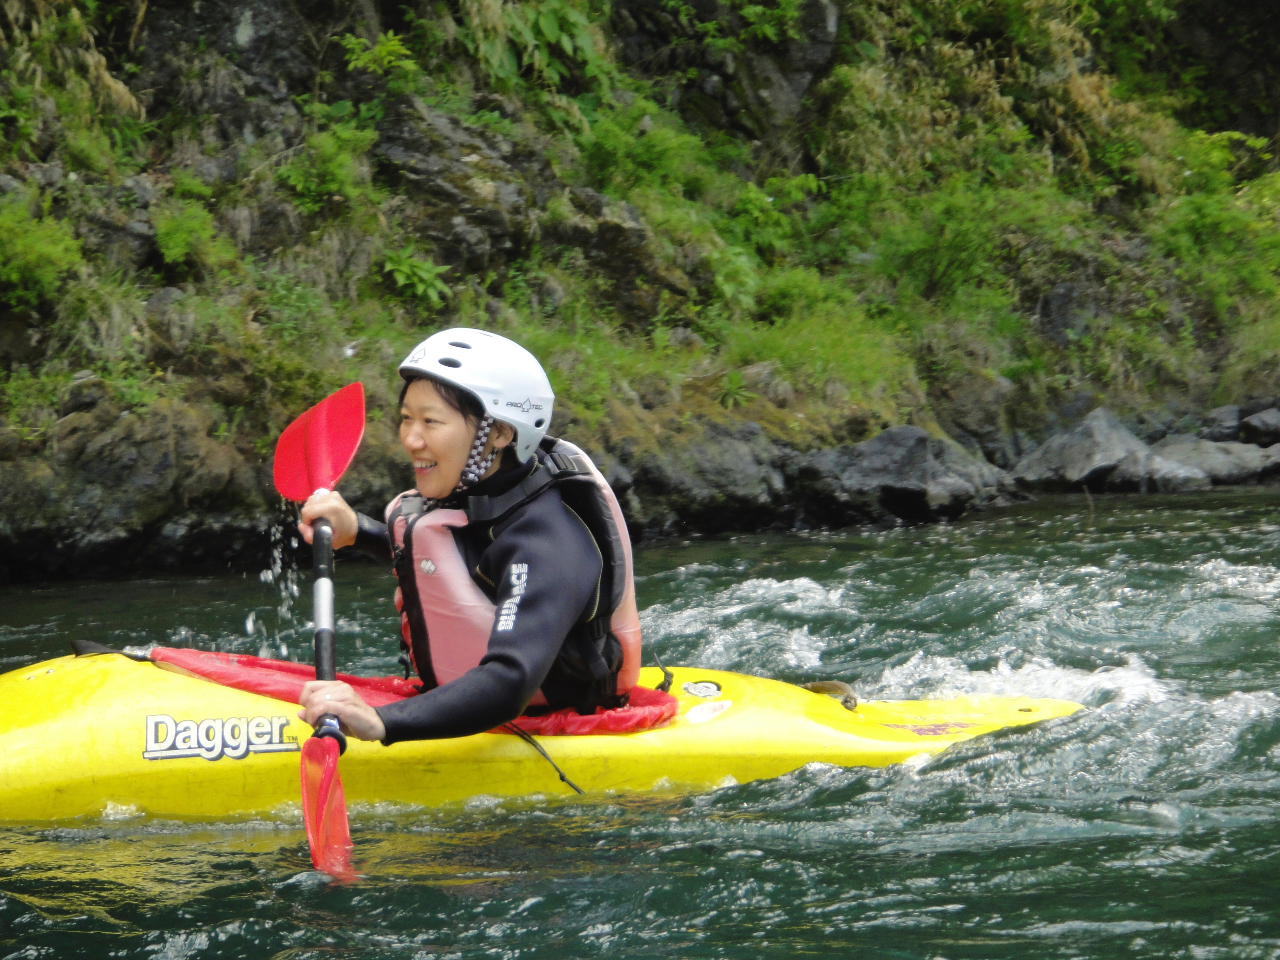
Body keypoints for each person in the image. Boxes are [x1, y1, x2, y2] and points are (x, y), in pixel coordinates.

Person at [296, 328, 640, 744]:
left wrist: (382, 722)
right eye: (406, 418)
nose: (411, 439)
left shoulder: (547, 541)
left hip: (557, 720)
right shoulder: (478, 495)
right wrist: (359, 532)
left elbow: (510, 679)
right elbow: (458, 567)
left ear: (498, 433)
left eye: (430, 421)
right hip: (469, 704)